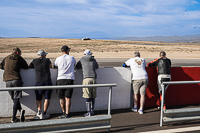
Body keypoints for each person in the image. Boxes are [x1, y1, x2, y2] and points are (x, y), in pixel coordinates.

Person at [0, 47, 28, 122]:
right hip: (16, 80)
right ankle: (13, 117)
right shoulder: (19, 58)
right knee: (16, 98)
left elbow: (1, 66)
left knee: (13, 98)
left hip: (7, 80)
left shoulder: (6, 58)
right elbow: (26, 66)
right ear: (18, 52)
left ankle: (20, 110)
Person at [29, 50, 52, 119]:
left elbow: (30, 66)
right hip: (47, 81)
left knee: (38, 98)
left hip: (39, 82)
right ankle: (44, 112)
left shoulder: (34, 61)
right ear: (44, 55)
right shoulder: (47, 60)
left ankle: (39, 111)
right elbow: (50, 66)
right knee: (47, 98)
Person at [54, 46, 76, 118]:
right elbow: (74, 64)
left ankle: (63, 111)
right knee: (68, 97)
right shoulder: (72, 58)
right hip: (69, 79)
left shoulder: (58, 58)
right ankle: (67, 113)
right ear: (67, 51)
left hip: (60, 79)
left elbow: (54, 66)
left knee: (61, 97)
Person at [76, 49, 99, 117]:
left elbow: (77, 66)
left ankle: (88, 112)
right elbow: (97, 66)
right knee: (93, 95)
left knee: (87, 96)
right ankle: (92, 111)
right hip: (94, 79)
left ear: (84, 54)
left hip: (86, 79)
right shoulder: (93, 59)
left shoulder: (82, 59)